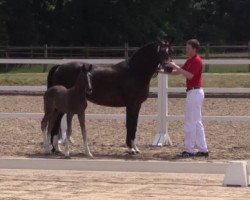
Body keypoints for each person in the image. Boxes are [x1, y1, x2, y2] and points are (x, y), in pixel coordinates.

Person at [159, 39, 208, 158]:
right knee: (196, 123)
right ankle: (203, 149)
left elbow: (189, 76)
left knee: (190, 122)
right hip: (193, 93)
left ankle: (189, 150)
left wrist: (174, 65)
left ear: (194, 49)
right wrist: (162, 71)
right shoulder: (190, 60)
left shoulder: (197, 61)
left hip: (195, 92)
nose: (186, 50)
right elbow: (178, 72)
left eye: (188, 48)